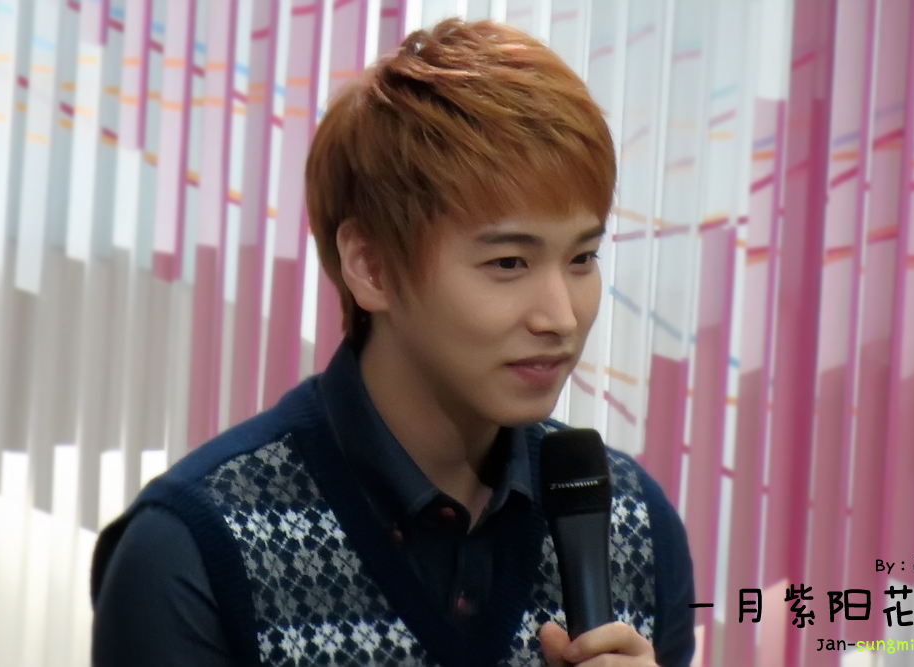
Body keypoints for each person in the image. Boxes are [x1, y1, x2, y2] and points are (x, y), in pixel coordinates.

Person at [91, 17, 695, 667]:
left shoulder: (635, 527)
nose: (562, 316)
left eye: (582, 258)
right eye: (508, 263)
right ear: (371, 266)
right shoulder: (193, 551)